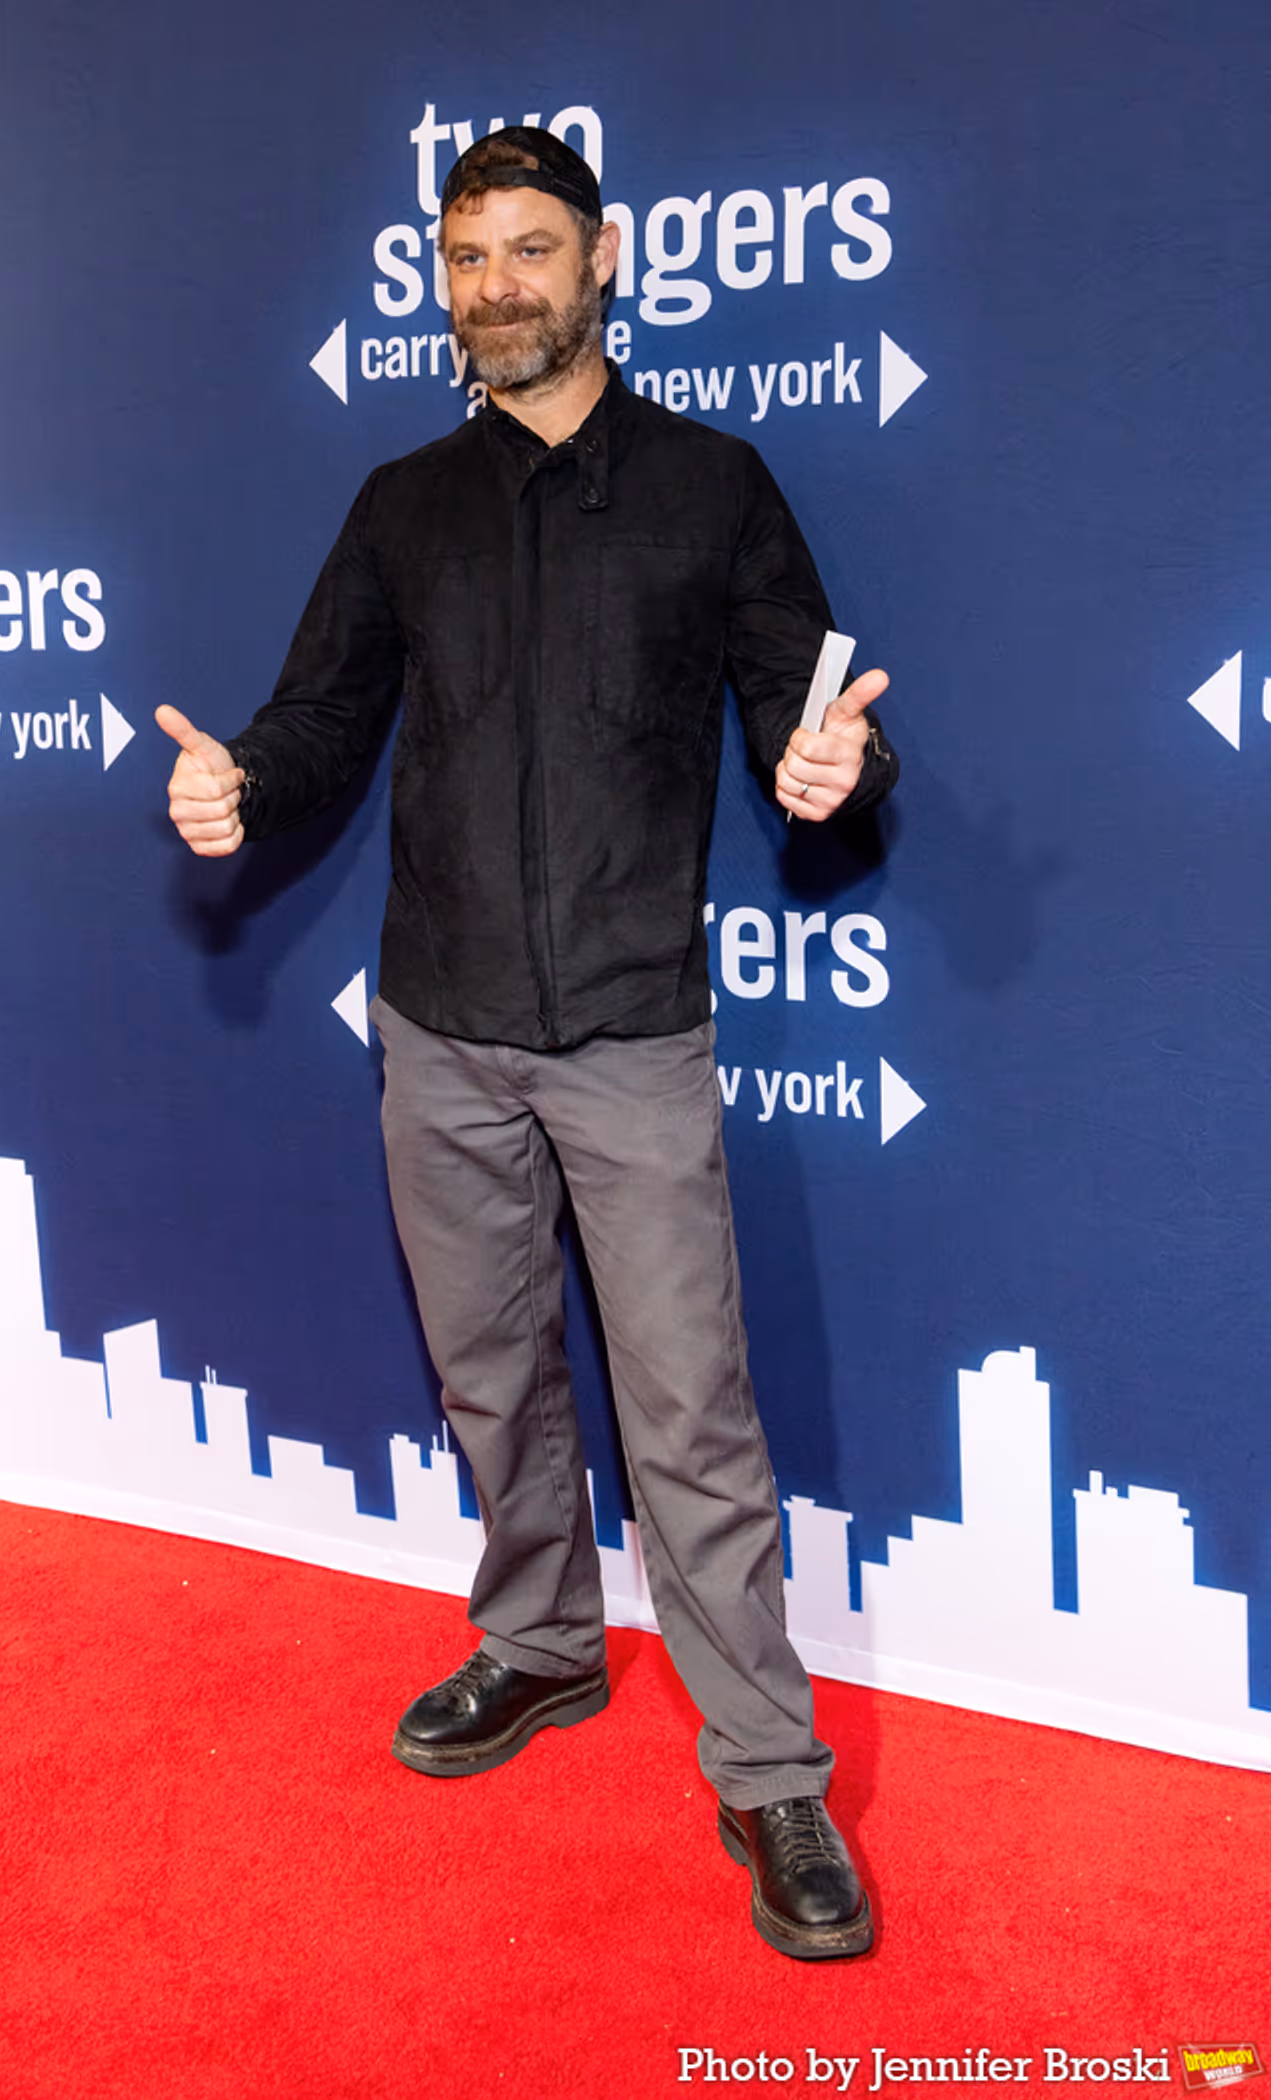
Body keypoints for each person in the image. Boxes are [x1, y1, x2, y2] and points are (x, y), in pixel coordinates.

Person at [159, 126, 897, 1962]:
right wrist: (243, 781)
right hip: (440, 1028)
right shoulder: (402, 503)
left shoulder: (716, 486)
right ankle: (544, 1640)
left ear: (604, 258)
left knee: (691, 1415)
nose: (497, 286)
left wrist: (838, 768)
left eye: (530, 251)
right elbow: (322, 718)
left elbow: (809, 710)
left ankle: (769, 1769)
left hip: (634, 1028)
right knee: (491, 1376)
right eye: (467, 256)